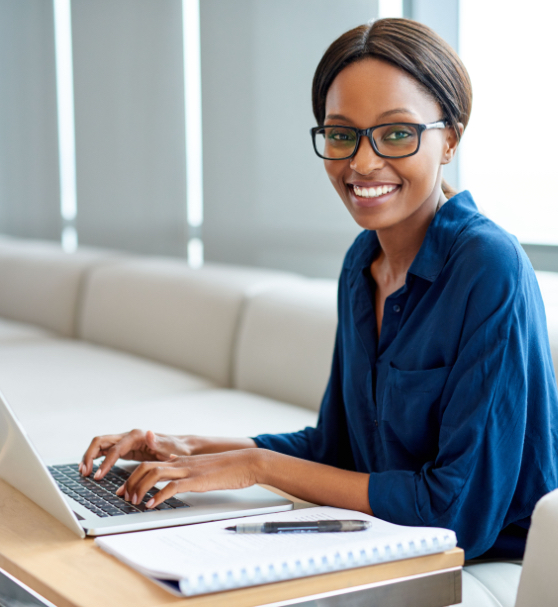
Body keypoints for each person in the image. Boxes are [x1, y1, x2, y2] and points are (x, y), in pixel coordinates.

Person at [81, 18, 558, 563]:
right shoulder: (363, 263)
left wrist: (256, 467)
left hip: (492, 559)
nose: (361, 162)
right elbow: (337, 449)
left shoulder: (488, 265)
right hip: (387, 536)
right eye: (341, 133)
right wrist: (183, 447)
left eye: (397, 133)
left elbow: (457, 511)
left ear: (449, 138)